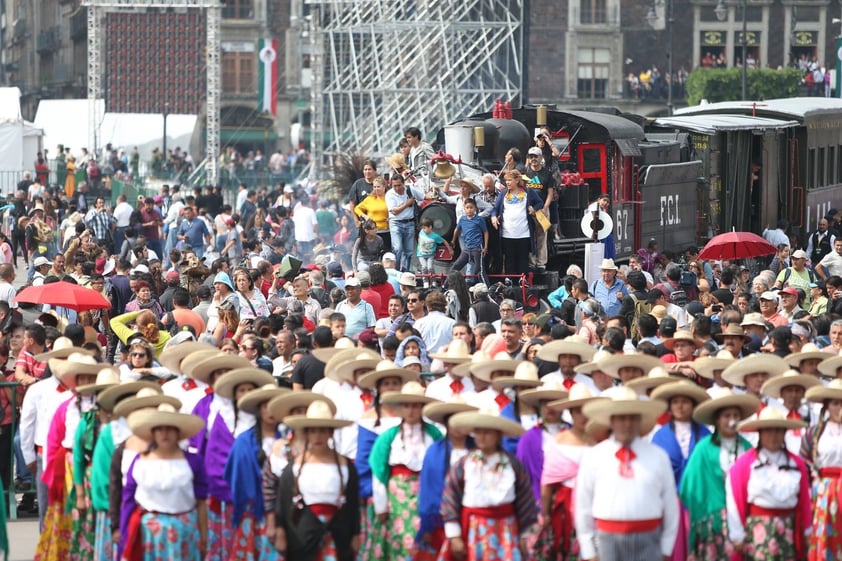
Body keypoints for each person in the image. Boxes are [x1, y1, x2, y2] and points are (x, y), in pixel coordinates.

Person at [576, 386, 679, 561]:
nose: (627, 424)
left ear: (639, 421)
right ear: (611, 421)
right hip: (607, 539)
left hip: (649, 538)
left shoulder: (658, 456)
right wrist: (589, 551)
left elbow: (670, 504)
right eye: (621, 418)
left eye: (632, 418)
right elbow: (583, 505)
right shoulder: (594, 456)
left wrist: (666, 547)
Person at [440, 407, 538, 560]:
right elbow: (450, 496)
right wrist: (454, 534)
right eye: (478, 432)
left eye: (487, 432)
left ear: (498, 435)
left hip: (505, 529)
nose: (481, 437)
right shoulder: (464, 464)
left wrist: (525, 534)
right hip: (473, 528)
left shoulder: (512, 464)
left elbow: (524, 499)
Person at [119, 403, 208, 560]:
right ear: (153, 433)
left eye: (170, 428)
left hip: (184, 531)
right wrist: (124, 535)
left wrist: (204, 536)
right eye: (160, 429)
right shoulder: (140, 461)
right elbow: (128, 499)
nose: (165, 433)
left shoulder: (193, 462)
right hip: (149, 534)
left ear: (178, 432)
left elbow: (201, 502)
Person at [274, 400, 361, 560]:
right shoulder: (293, 467)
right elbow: (283, 502)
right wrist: (280, 531)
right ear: (306, 433)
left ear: (331, 432)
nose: (317, 436)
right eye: (313, 431)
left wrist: (355, 533)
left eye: (322, 430)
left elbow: (353, 502)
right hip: (302, 533)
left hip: (338, 531)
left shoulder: (346, 466)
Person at [678, 387, 758, 561]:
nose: (731, 421)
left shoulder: (748, 448)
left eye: (735, 416)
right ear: (717, 419)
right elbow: (689, 487)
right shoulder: (703, 449)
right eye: (726, 416)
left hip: (743, 518)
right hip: (711, 522)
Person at [368, 381, 442, 560]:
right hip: (396, 500)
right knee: (400, 542)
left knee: (426, 543)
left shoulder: (435, 435)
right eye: (406, 405)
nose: (411, 410)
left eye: (416, 405)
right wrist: (380, 504)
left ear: (422, 407)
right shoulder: (388, 437)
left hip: (427, 496)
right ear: (400, 408)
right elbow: (378, 472)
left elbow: (442, 468)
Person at [726, 407, 812, 560]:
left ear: (784, 433)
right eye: (768, 431)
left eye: (778, 431)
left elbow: (805, 500)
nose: (773, 436)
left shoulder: (796, 464)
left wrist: (807, 530)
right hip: (757, 533)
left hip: (789, 531)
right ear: (760, 433)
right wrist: (737, 534)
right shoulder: (745, 464)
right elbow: (734, 499)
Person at [223, 383, 287, 561]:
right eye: (267, 405)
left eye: (275, 404)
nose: (271, 410)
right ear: (259, 409)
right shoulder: (243, 442)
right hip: (252, 514)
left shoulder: (291, 438)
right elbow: (236, 480)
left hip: (287, 512)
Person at [649, 380, 712, 561]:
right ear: (670, 405)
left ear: (693, 405)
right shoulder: (659, 436)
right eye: (676, 402)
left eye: (685, 401)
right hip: (669, 502)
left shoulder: (705, 434)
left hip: (699, 502)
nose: (680, 406)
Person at [539, 384, 602, 561]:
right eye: (577, 411)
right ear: (571, 414)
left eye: (585, 410)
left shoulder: (599, 441)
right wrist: (544, 513)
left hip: (595, 505)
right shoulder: (558, 441)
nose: (582, 416)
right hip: (565, 508)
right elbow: (547, 482)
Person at [801, 378, 842, 559]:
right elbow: (804, 461)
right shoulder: (814, 433)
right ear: (826, 406)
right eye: (836, 403)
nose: (840, 408)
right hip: (823, 493)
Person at [490, 170, 544, 275]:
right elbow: (495, 209)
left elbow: (539, 202)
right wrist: (493, 217)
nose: (507, 183)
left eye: (510, 180)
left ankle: (522, 280)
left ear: (517, 180)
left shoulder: (528, 192)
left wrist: (534, 209)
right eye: (506, 180)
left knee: (523, 259)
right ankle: (509, 280)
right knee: (509, 259)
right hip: (507, 233)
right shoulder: (503, 193)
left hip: (523, 233)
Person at [450, 198, 489, 285]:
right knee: (455, 267)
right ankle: (445, 285)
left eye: (471, 207)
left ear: (475, 208)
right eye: (467, 207)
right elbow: (457, 229)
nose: (469, 209)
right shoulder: (462, 219)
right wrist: (453, 240)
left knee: (479, 271)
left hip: (477, 248)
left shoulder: (479, 219)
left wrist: (485, 247)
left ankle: (487, 289)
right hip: (467, 249)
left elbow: (485, 232)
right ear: (464, 209)